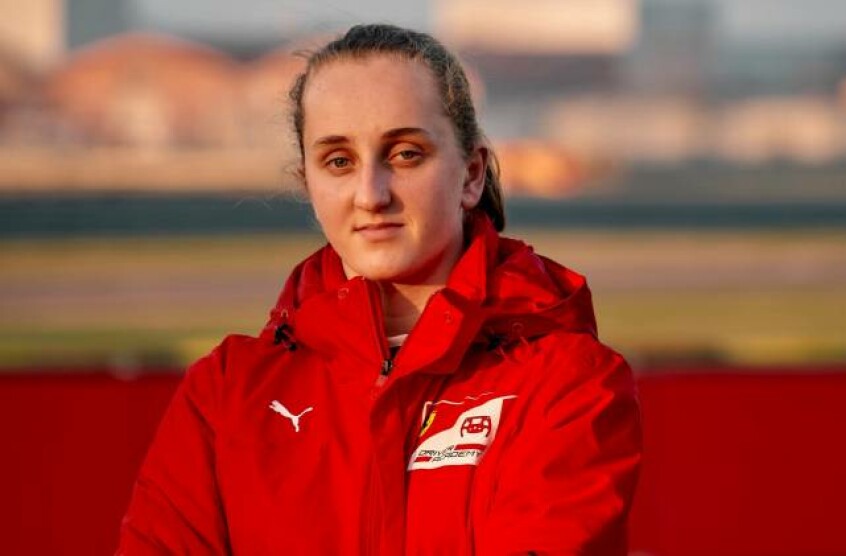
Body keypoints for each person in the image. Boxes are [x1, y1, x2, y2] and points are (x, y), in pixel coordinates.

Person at [117, 24, 641, 555]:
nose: (370, 194)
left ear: (471, 175)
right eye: (339, 162)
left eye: (406, 154)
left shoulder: (566, 381)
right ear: (308, 184)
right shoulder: (226, 394)